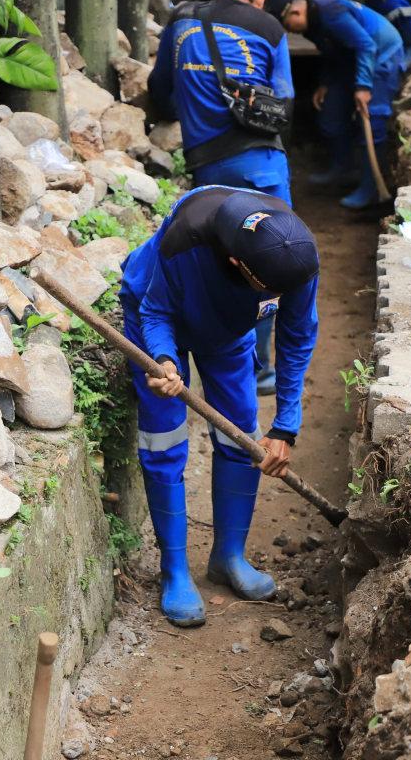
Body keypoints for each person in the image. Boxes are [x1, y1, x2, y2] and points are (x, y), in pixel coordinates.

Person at [119, 185, 319, 627]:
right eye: (269, 290)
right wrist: (165, 361)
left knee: (241, 434)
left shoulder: (294, 254)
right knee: (163, 439)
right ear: (236, 264)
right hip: (156, 316)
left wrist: (285, 426)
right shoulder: (187, 237)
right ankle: (174, 572)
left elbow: (297, 336)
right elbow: (156, 311)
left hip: (229, 330)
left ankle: (228, 557)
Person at [148, 0, 296, 397]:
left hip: (209, 171)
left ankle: (213, 356)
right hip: (263, 166)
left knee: (220, 264)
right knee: (268, 261)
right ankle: (263, 371)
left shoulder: (181, 20)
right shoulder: (269, 28)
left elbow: (160, 88)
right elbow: (284, 104)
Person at [272, 0, 403, 209]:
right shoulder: (312, 23)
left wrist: (363, 86)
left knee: (372, 119)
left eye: (287, 25)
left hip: (380, 55)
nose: (289, 31)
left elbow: (366, 45)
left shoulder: (332, 12)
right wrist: (325, 83)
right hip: (350, 61)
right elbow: (333, 53)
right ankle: (344, 170)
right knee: (330, 114)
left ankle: (371, 189)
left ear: (295, 12)